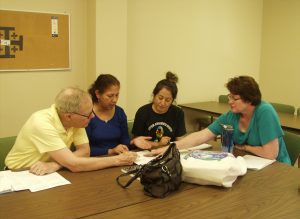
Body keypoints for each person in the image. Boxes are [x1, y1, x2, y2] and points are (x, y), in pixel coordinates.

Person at [151, 75, 291, 165]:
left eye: (234, 98)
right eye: (229, 96)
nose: (230, 101)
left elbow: (270, 154)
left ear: (249, 99)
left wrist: (245, 147)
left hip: (277, 169)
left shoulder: (264, 111)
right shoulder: (232, 115)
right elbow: (201, 136)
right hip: (250, 164)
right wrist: (169, 148)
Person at [5, 87, 137, 175]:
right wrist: (118, 160)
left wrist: (55, 165)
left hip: (49, 172)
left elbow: (85, 152)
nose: (92, 117)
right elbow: (74, 165)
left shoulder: (77, 120)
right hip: (19, 174)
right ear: (68, 116)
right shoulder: (41, 123)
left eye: (91, 111)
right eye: (87, 114)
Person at [86, 74, 152, 156]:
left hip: (118, 158)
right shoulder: (86, 114)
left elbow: (124, 142)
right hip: (94, 161)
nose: (114, 100)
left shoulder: (119, 112)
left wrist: (133, 142)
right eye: (110, 96)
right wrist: (111, 151)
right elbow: (84, 150)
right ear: (98, 94)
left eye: (117, 95)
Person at [132, 71, 187, 149]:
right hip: (146, 153)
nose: (162, 103)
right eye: (160, 98)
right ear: (154, 95)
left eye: (167, 100)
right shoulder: (143, 112)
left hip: (169, 152)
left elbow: (180, 140)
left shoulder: (178, 113)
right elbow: (136, 142)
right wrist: (158, 144)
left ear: (172, 101)